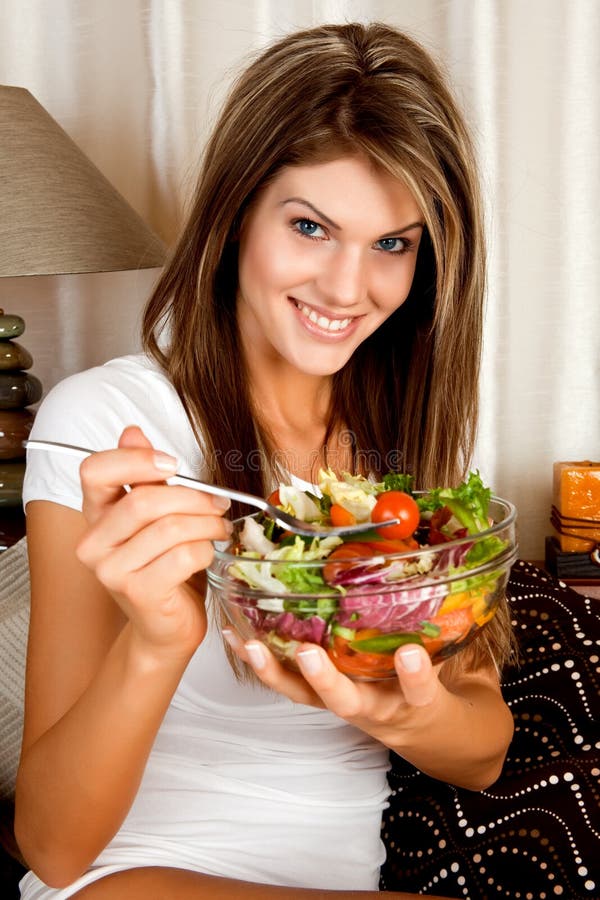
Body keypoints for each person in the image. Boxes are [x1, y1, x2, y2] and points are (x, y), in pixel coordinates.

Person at [15, 21, 516, 900]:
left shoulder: (420, 445)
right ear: (237, 213)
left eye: (392, 244)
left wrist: (404, 710)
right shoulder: (113, 422)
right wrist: (158, 641)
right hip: (129, 877)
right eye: (312, 227)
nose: (347, 289)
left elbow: (482, 753)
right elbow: (54, 849)